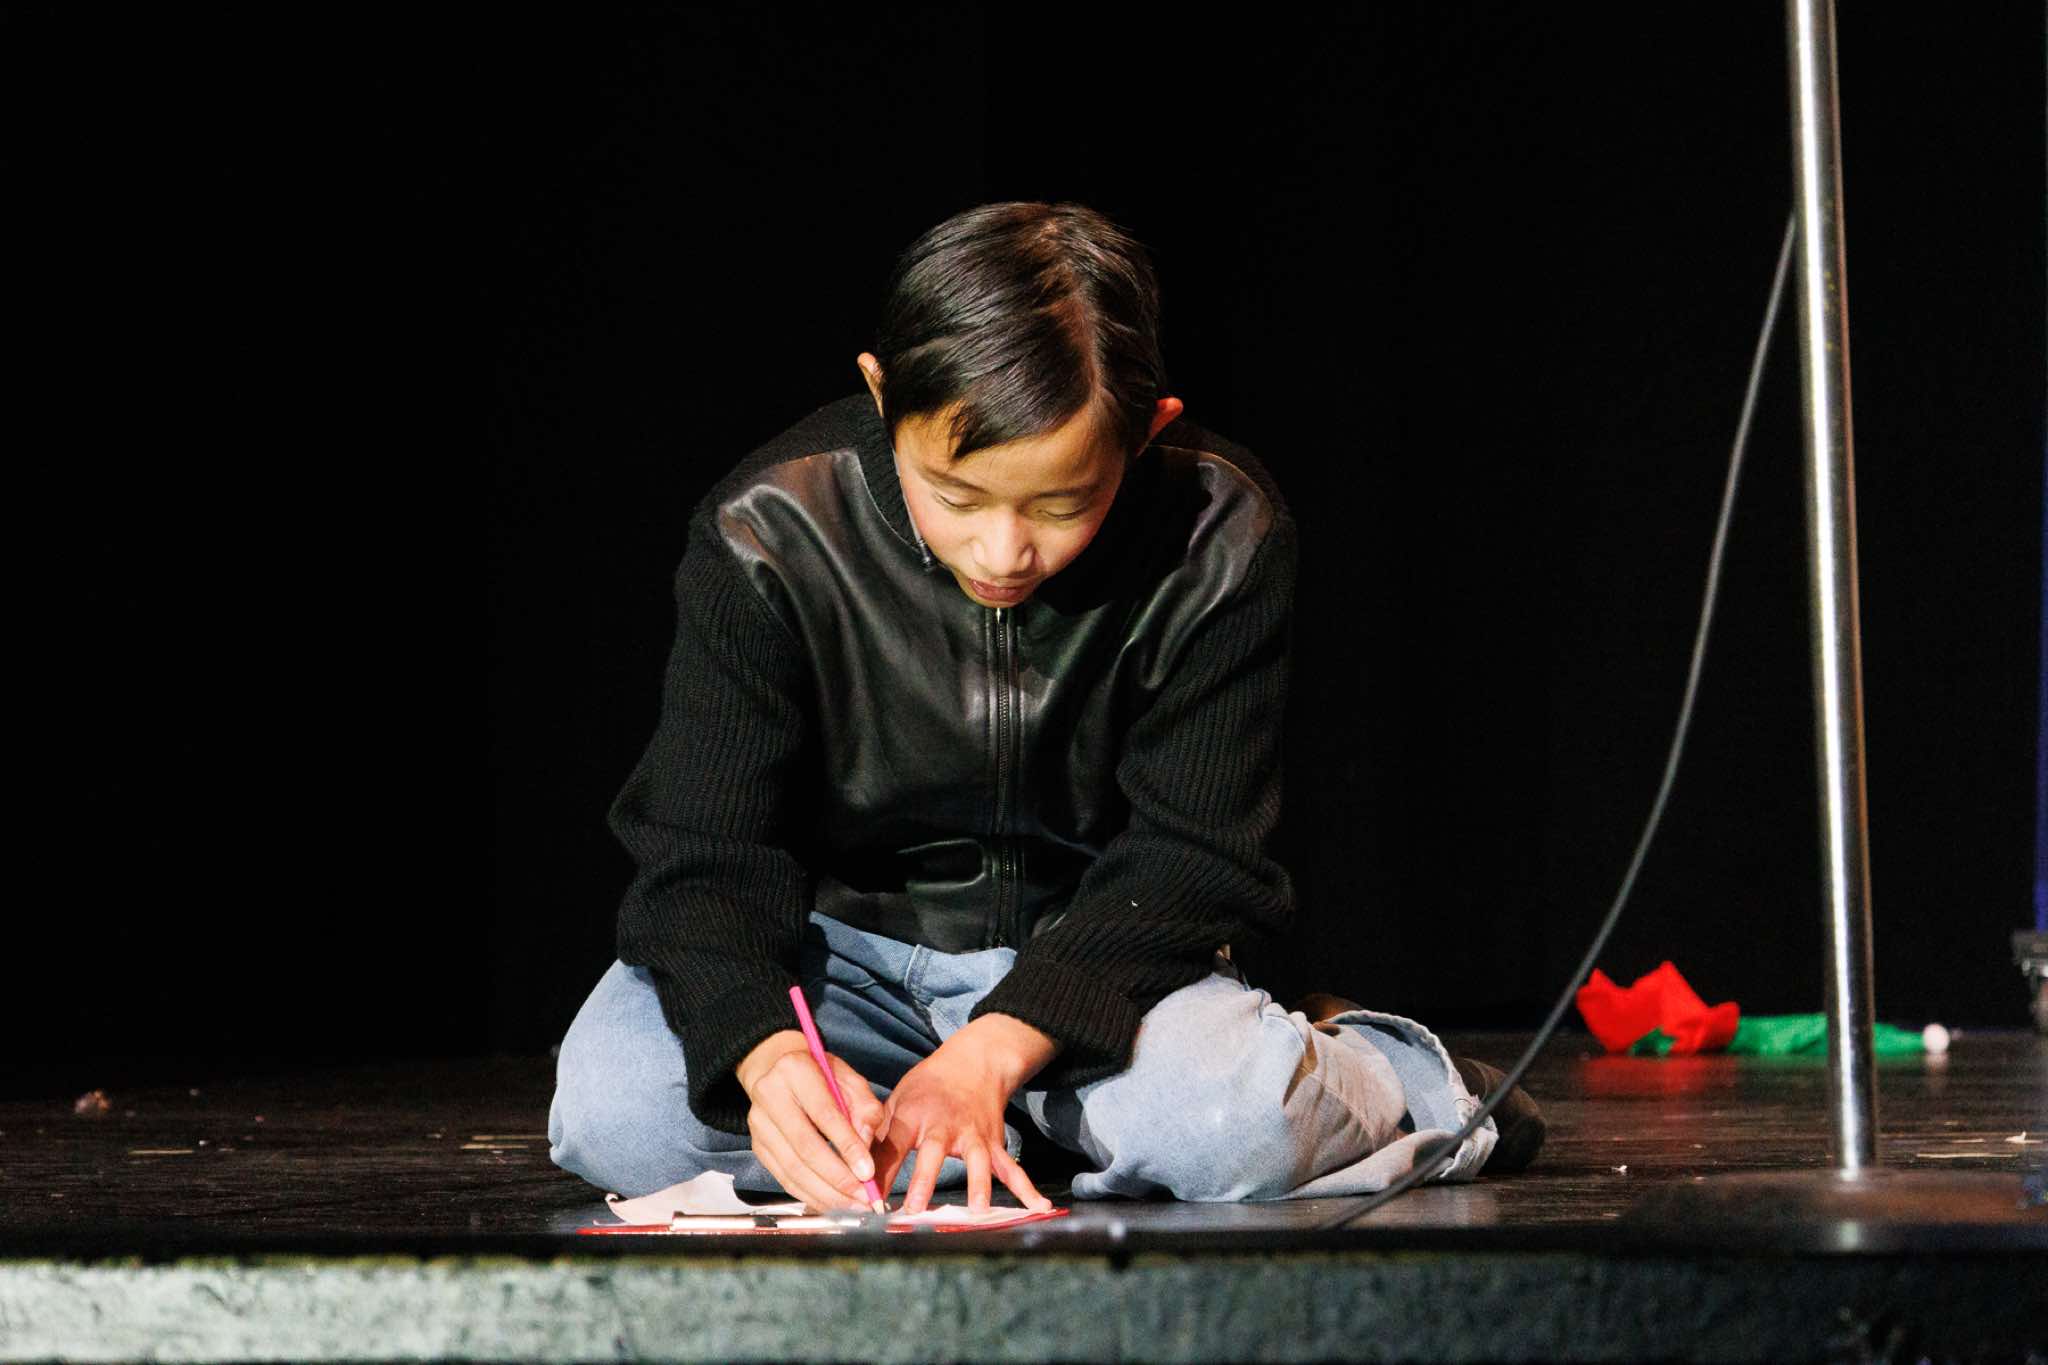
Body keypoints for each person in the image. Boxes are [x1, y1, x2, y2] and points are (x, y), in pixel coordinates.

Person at [547, 201, 1543, 1214]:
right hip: (839, 968)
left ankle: (1397, 1079)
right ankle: (994, 1132)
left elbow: (1194, 856)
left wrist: (994, 1047)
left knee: (1226, 1127)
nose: (1003, 551)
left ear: (1146, 432)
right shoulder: (767, 531)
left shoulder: (1220, 532)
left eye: (1062, 504)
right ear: (882, 396)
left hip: (1101, 970)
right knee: (617, 1112)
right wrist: (766, 1057)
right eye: (956, 496)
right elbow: (704, 854)